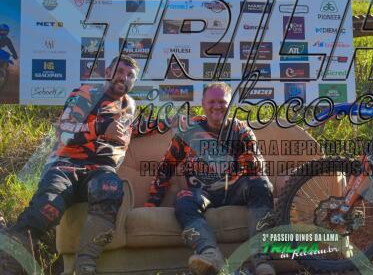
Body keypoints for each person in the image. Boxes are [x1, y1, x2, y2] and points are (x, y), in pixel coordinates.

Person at [0, 55, 139, 275]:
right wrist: (101, 127)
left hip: (100, 171)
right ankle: (8, 260)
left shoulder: (130, 105)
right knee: (46, 208)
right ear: (107, 73)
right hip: (67, 165)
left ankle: (85, 265)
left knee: (111, 188)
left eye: (130, 75)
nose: (124, 77)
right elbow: (64, 132)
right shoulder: (86, 93)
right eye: (119, 71)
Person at [144, 82, 276, 275]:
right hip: (202, 192)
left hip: (235, 189)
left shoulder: (241, 130)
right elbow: (167, 166)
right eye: (211, 101)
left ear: (230, 105)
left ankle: (261, 259)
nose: (217, 106)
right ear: (203, 104)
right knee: (183, 199)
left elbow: (259, 167)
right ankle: (210, 255)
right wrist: (151, 203)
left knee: (261, 183)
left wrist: (251, 162)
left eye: (222, 102)